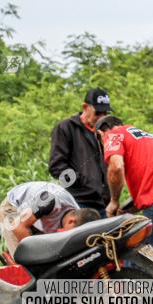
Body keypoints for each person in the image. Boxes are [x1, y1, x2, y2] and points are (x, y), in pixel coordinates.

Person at [95, 116, 153, 255]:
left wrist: (114, 201)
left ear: (100, 133)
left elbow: (116, 167)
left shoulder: (113, 134)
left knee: (143, 260)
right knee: (152, 259)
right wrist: (124, 210)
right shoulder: (148, 137)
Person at [48, 88, 114, 216]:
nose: (102, 117)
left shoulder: (105, 132)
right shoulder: (66, 127)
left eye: (105, 113)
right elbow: (56, 167)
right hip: (78, 201)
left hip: (103, 203)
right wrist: (82, 182)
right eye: (98, 113)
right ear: (85, 107)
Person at [0, 181, 99, 254]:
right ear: (71, 221)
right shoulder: (48, 201)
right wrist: (34, 255)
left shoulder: (77, 215)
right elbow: (18, 226)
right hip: (14, 208)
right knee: (24, 257)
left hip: (39, 215)